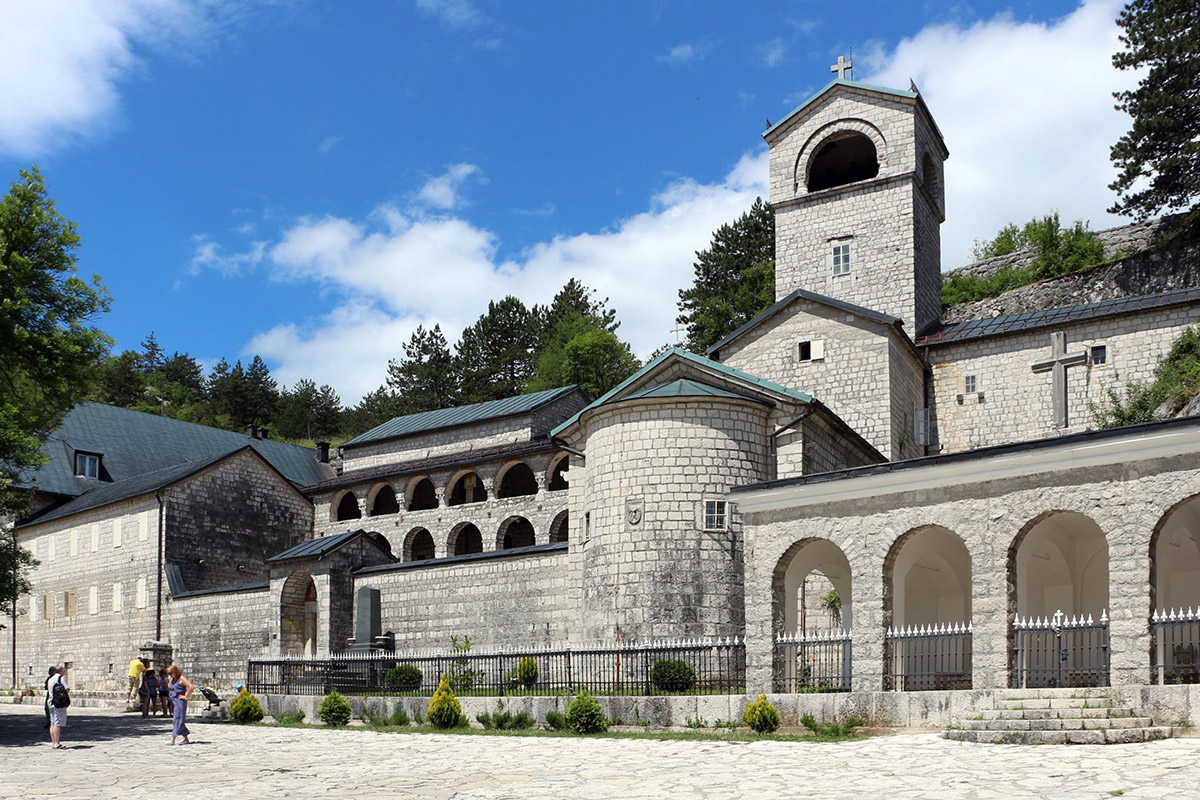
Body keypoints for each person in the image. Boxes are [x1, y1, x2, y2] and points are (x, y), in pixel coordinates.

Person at [164, 665, 193, 744]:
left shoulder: (181, 678)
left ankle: (172, 739)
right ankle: (186, 739)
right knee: (180, 720)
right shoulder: (173, 680)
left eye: (171, 673)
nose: (170, 675)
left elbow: (191, 687)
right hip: (173, 702)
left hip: (179, 702)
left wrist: (185, 696)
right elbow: (170, 687)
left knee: (177, 719)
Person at [47, 665, 69, 749]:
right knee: (57, 723)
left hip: (51, 702)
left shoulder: (50, 679)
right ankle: (57, 743)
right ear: (61, 671)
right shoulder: (60, 678)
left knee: (52, 722)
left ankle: (54, 742)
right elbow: (67, 689)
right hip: (58, 703)